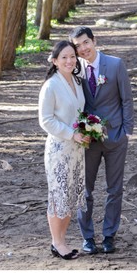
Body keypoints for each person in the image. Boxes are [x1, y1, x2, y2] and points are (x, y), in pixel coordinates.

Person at [70, 26, 134, 254]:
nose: (83, 49)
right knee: (84, 190)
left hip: (115, 137)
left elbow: (127, 99)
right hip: (87, 141)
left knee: (114, 189)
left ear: (94, 41)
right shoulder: (74, 69)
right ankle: (87, 238)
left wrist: (127, 131)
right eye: (77, 46)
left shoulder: (115, 65)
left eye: (85, 43)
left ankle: (109, 236)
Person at [38, 40, 90, 260]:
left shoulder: (77, 82)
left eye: (72, 56)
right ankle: (57, 242)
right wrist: (71, 133)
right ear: (55, 61)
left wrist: (87, 129)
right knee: (58, 195)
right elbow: (45, 120)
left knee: (71, 195)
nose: (69, 61)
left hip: (77, 148)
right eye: (64, 57)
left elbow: (79, 113)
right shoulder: (50, 85)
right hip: (59, 148)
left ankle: (62, 239)